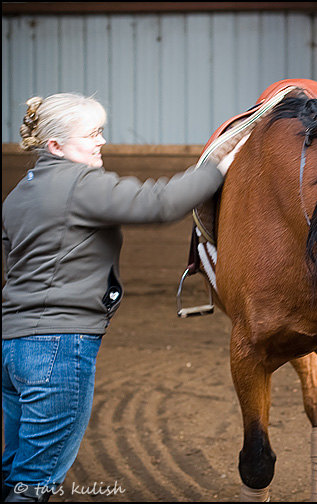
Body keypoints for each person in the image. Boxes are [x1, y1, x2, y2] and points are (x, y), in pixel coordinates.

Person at [2, 93, 247, 502]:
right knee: (35, 482)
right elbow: (160, 204)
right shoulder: (79, 184)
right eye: (91, 134)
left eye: (101, 131)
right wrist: (218, 166)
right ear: (56, 146)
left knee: (15, 471)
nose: (101, 142)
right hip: (58, 346)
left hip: (13, 347)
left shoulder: (17, 196)